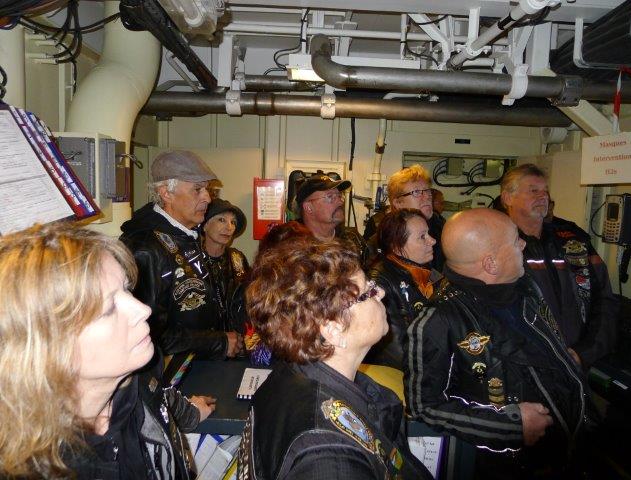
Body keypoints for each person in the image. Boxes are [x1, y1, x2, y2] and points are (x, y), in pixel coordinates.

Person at [0, 223, 214, 479]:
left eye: (126, 289)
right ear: (48, 348)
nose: (143, 310)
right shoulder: (36, 469)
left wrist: (191, 414)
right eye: (109, 308)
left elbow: (157, 394)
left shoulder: (140, 368)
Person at [405, 208, 589, 479]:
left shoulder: (526, 288)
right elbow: (424, 407)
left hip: (568, 452)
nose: (524, 244)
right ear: (490, 264)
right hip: (505, 468)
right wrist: (509, 426)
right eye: (515, 241)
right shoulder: (437, 321)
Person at [238, 236, 432, 479]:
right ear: (333, 329)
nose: (381, 292)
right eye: (368, 291)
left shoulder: (292, 371)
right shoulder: (330, 458)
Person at [120, 150, 242, 361]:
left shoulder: (186, 236)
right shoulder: (145, 247)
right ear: (166, 193)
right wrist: (217, 343)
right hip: (170, 371)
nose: (207, 198)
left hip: (197, 364)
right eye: (197, 189)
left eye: (207, 189)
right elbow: (148, 334)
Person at [500, 164, 618, 369]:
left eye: (545, 191)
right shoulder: (495, 244)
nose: (543, 196)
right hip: (524, 366)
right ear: (507, 198)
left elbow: (604, 301)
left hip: (576, 362)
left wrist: (584, 353)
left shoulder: (574, 240)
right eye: (533, 191)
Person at [366, 209, 442, 369]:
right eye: (422, 236)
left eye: (429, 233)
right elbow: (392, 349)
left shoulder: (429, 273)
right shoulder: (380, 282)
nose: (433, 241)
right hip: (400, 373)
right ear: (396, 246)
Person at [295, 173, 370, 265]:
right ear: (309, 208)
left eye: (339, 196)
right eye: (330, 197)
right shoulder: (292, 247)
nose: (340, 202)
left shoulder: (352, 239)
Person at [202, 198, 250, 333]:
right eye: (221, 220)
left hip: (237, 337)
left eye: (233, 222)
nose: (229, 227)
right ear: (204, 225)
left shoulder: (237, 258)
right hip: (206, 339)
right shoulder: (193, 261)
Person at [387, 164, 444, 271]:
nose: (427, 196)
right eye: (416, 192)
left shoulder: (443, 229)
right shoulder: (384, 234)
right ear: (398, 203)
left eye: (428, 190)